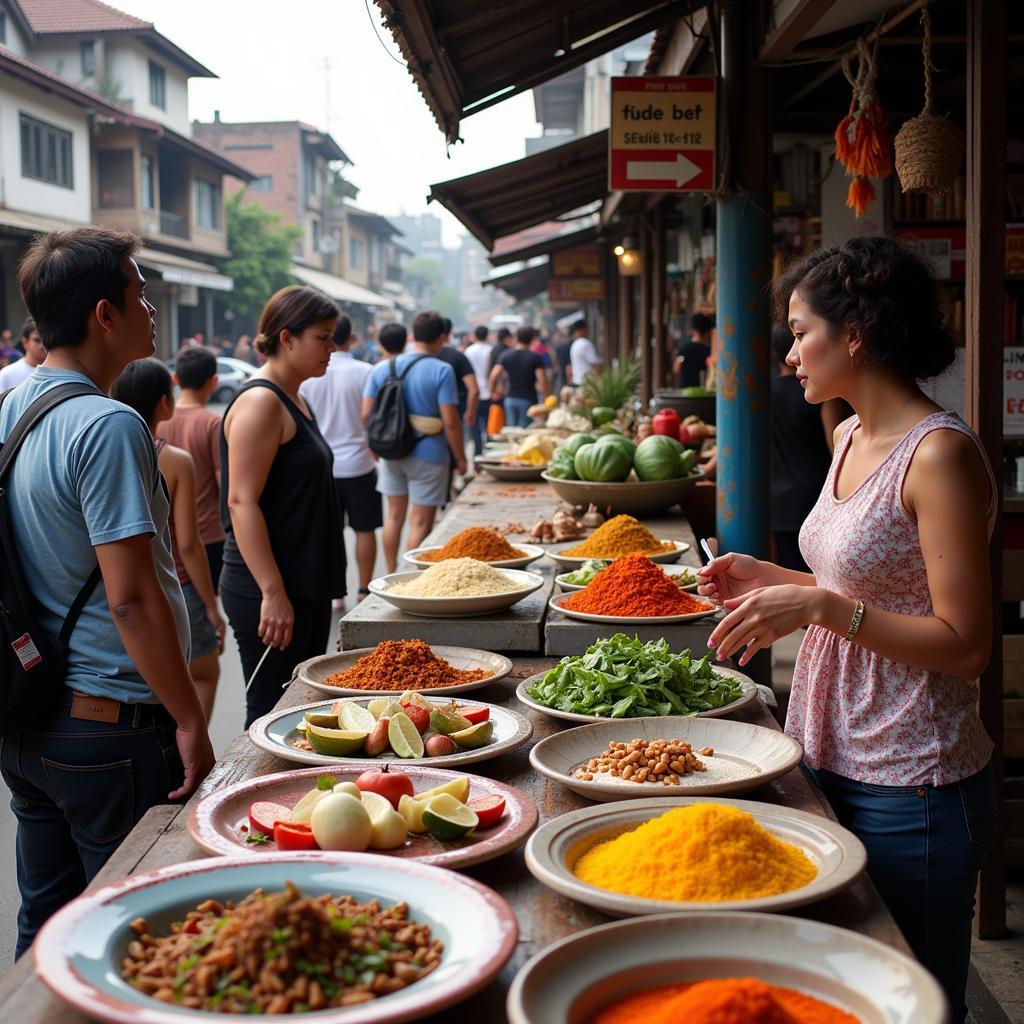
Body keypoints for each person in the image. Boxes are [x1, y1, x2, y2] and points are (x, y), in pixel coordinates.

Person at [698, 237, 996, 1023]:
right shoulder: (846, 436)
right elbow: (859, 588)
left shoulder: (937, 457)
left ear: (855, 332)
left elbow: (966, 644)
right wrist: (780, 582)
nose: (789, 354)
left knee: (912, 1000)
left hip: (914, 779)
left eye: (800, 332)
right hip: (827, 752)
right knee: (838, 987)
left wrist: (823, 608)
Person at [0, 227, 214, 957]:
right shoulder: (109, 423)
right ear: (104, 315)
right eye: (140, 294)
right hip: (108, 728)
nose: (151, 308)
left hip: (27, 718)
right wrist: (188, 717)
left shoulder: (8, 412)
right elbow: (133, 599)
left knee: (47, 929)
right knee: (136, 939)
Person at [220, 285, 344, 728]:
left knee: (301, 711)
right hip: (270, 588)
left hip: (303, 582)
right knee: (271, 715)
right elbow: (240, 500)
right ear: (287, 337)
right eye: (323, 337)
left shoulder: (296, 398)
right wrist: (272, 592)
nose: (332, 347)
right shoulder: (261, 401)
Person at [111, 359, 225, 721]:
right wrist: (210, 605)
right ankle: (191, 751)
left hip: (118, 588)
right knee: (204, 673)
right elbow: (188, 545)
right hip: (173, 584)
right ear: (165, 402)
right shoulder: (175, 460)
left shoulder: (106, 450)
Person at [362, 313, 465, 572]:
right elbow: (450, 421)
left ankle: (389, 572)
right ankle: (410, 579)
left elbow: (366, 414)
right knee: (419, 521)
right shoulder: (442, 370)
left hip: (390, 453)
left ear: (413, 334)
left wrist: (374, 444)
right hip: (429, 453)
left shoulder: (383, 368)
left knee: (394, 517)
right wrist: (460, 458)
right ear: (442, 337)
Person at [300, 315, 381, 604]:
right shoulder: (365, 371)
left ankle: (336, 595)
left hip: (323, 467)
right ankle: (363, 590)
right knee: (364, 528)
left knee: (329, 533)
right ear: (352, 338)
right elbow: (372, 416)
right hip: (359, 463)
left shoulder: (309, 375)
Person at [769, 322, 847, 573]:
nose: (794, 355)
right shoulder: (823, 396)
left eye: (801, 336)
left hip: (778, 501)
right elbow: (837, 450)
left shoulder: (758, 395)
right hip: (816, 496)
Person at [157, 346, 226, 591]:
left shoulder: (159, 420)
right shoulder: (213, 423)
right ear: (214, 382)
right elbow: (224, 485)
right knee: (207, 610)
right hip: (208, 535)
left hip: (166, 536)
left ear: (175, 378)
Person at [489, 325, 548, 428]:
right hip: (528, 399)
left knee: (512, 432)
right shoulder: (535, 357)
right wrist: (547, 398)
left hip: (510, 399)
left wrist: (492, 391)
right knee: (525, 434)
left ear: (516, 338)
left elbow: (494, 374)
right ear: (531, 339)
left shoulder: (506, 355)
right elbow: (542, 380)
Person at [433, 316, 479, 447]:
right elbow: (474, 390)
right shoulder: (457, 356)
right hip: (456, 413)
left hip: (429, 420)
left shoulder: (423, 359)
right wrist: (470, 412)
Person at [464, 324, 493, 455]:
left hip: (473, 393)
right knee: (489, 426)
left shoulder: (468, 351)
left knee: (474, 427)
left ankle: (477, 456)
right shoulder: (490, 350)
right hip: (488, 392)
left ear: (475, 335)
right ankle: (489, 453)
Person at [0, 317, 46, 390]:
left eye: (46, 339)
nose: (42, 345)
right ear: (25, 342)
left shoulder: (60, 373)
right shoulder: (7, 374)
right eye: (37, 340)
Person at [673, 312, 713, 389]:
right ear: (708, 332)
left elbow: (676, 368)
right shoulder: (709, 352)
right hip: (704, 393)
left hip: (685, 392)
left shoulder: (684, 349)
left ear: (693, 329)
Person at [568, 319, 601, 385]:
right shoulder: (586, 343)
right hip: (587, 383)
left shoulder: (574, 344)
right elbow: (595, 364)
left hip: (577, 381)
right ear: (583, 329)